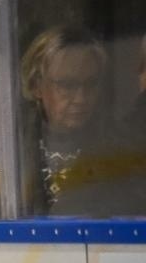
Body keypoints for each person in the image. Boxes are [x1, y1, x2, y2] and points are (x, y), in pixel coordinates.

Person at [18, 24, 145, 216]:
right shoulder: (11, 153)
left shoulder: (120, 151)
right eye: (67, 85)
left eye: (91, 84)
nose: (81, 98)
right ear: (36, 86)